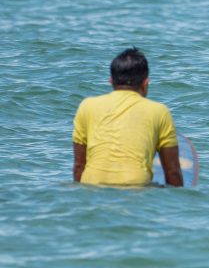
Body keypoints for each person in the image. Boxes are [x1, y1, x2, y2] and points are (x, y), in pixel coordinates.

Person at [73, 48, 183, 187]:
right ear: (145, 83)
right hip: (135, 188)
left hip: (92, 187)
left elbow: (78, 166)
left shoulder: (86, 106)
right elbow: (172, 171)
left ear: (111, 81)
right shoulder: (160, 111)